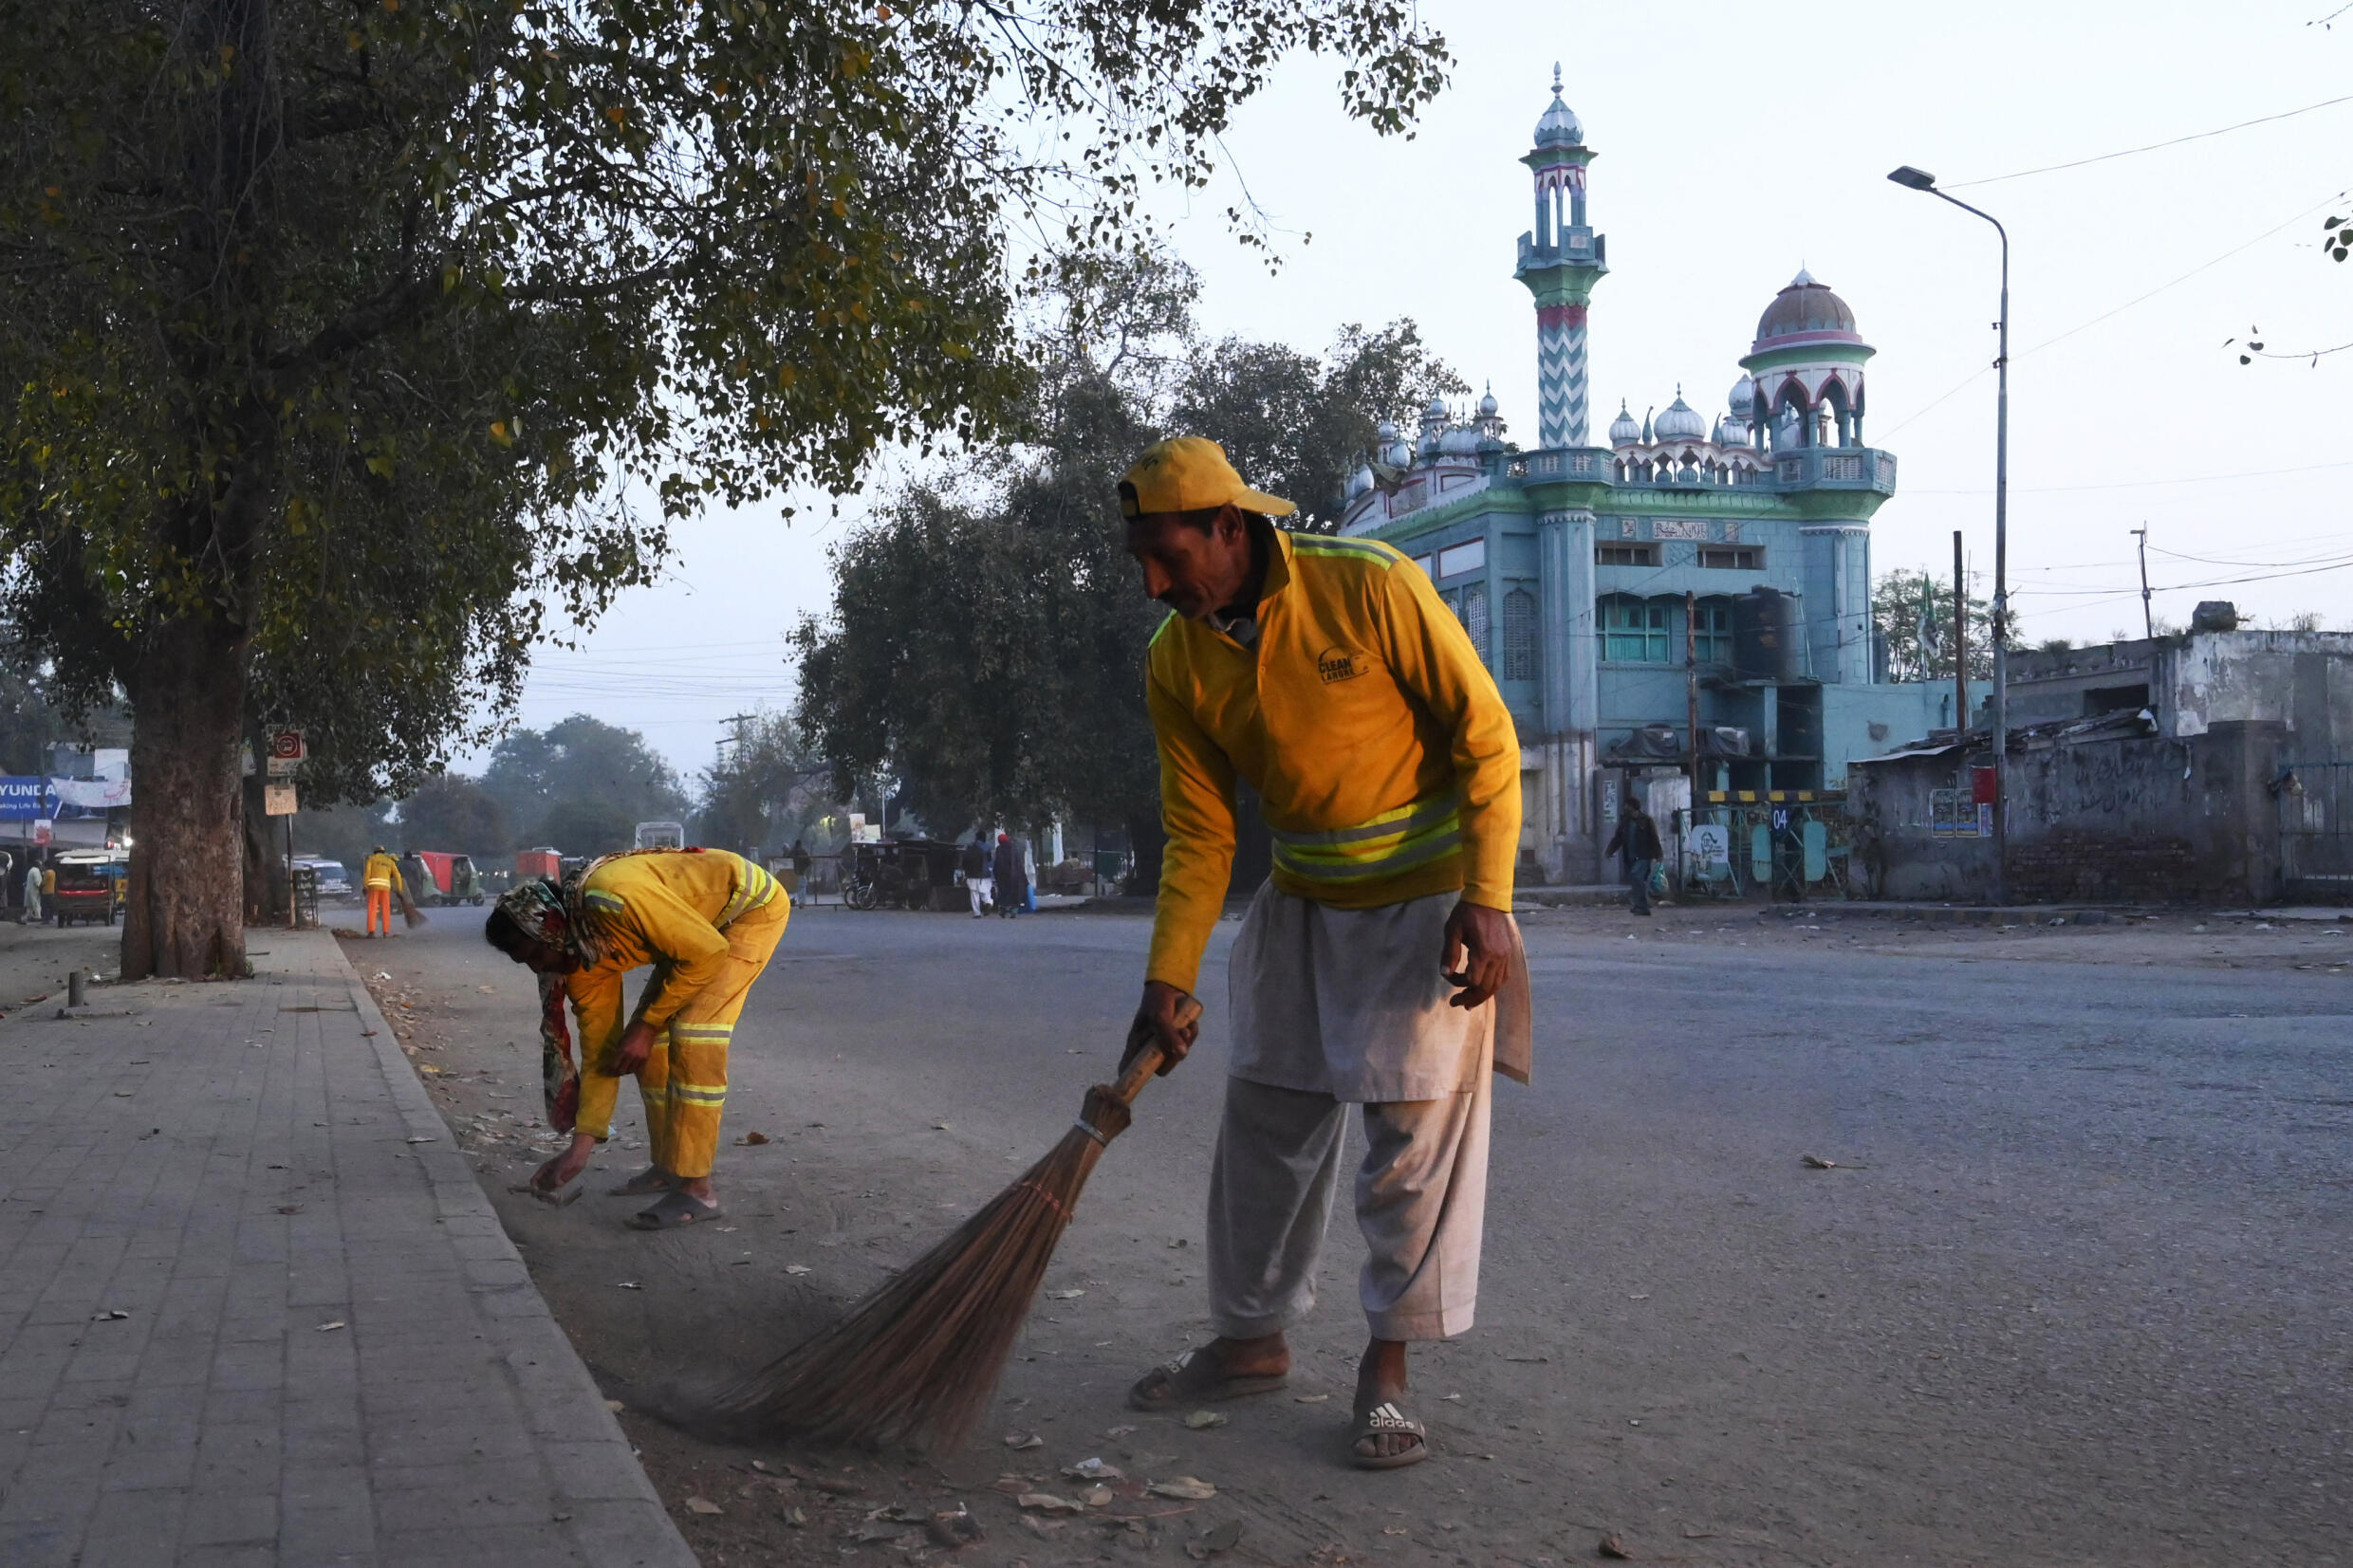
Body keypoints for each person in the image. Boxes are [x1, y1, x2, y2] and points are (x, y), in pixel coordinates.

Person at [1115, 435, 1529, 1472]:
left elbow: (1484, 735)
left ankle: (1385, 1370)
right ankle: (1250, 1338)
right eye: (1140, 561)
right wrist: (1165, 978)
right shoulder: (1175, 660)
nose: (1154, 584)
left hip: (1425, 906)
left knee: (1411, 1147)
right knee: (1263, 1127)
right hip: (1299, 904)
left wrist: (1486, 900)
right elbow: (1201, 833)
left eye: (1168, 555)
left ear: (1228, 527)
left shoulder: (1368, 586)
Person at [483, 846, 787, 1227]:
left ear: (552, 929)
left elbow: (708, 952)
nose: (537, 968)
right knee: (648, 1049)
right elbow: (602, 1056)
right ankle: (670, 1166)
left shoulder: (611, 899)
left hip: (748, 911)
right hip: (697, 932)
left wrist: (646, 1025)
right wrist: (578, 1151)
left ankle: (699, 1191)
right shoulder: (581, 959)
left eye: (535, 955)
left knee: (692, 1035)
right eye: (525, 963)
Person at [1603, 795, 1662, 916]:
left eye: (1627, 805)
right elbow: (1617, 839)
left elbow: (1654, 838)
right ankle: (1638, 905)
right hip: (1630, 856)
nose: (1625, 808)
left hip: (1644, 856)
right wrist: (1609, 851)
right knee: (1635, 880)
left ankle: (1643, 906)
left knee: (1636, 877)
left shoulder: (1646, 820)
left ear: (1633, 807)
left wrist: (1658, 854)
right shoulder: (1625, 822)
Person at [361, 845, 404, 936]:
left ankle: (371, 931)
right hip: (385, 888)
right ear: (384, 852)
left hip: (373, 887)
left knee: (372, 909)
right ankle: (386, 932)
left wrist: (365, 886)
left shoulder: (371, 859)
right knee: (385, 909)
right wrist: (399, 890)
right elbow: (398, 876)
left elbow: (367, 873)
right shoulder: (389, 861)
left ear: (375, 852)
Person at [990, 831, 1027, 919]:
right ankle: (1014, 911)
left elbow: (997, 863)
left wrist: (996, 875)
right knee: (1014, 894)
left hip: (1002, 876)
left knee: (1003, 894)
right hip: (1013, 876)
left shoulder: (999, 849)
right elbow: (1018, 862)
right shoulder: (1013, 848)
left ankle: (1003, 911)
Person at [960, 834, 993, 918]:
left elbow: (964, 861)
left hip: (971, 874)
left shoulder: (970, 847)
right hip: (984, 874)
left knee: (974, 894)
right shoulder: (986, 847)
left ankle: (977, 913)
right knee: (985, 892)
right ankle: (988, 903)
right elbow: (989, 860)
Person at [788, 839, 812, 906]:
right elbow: (808, 861)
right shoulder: (803, 851)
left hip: (795, 871)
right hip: (802, 871)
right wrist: (805, 867)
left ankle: (799, 901)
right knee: (803, 886)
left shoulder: (793, 851)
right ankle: (802, 902)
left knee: (799, 886)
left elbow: (787, 856)